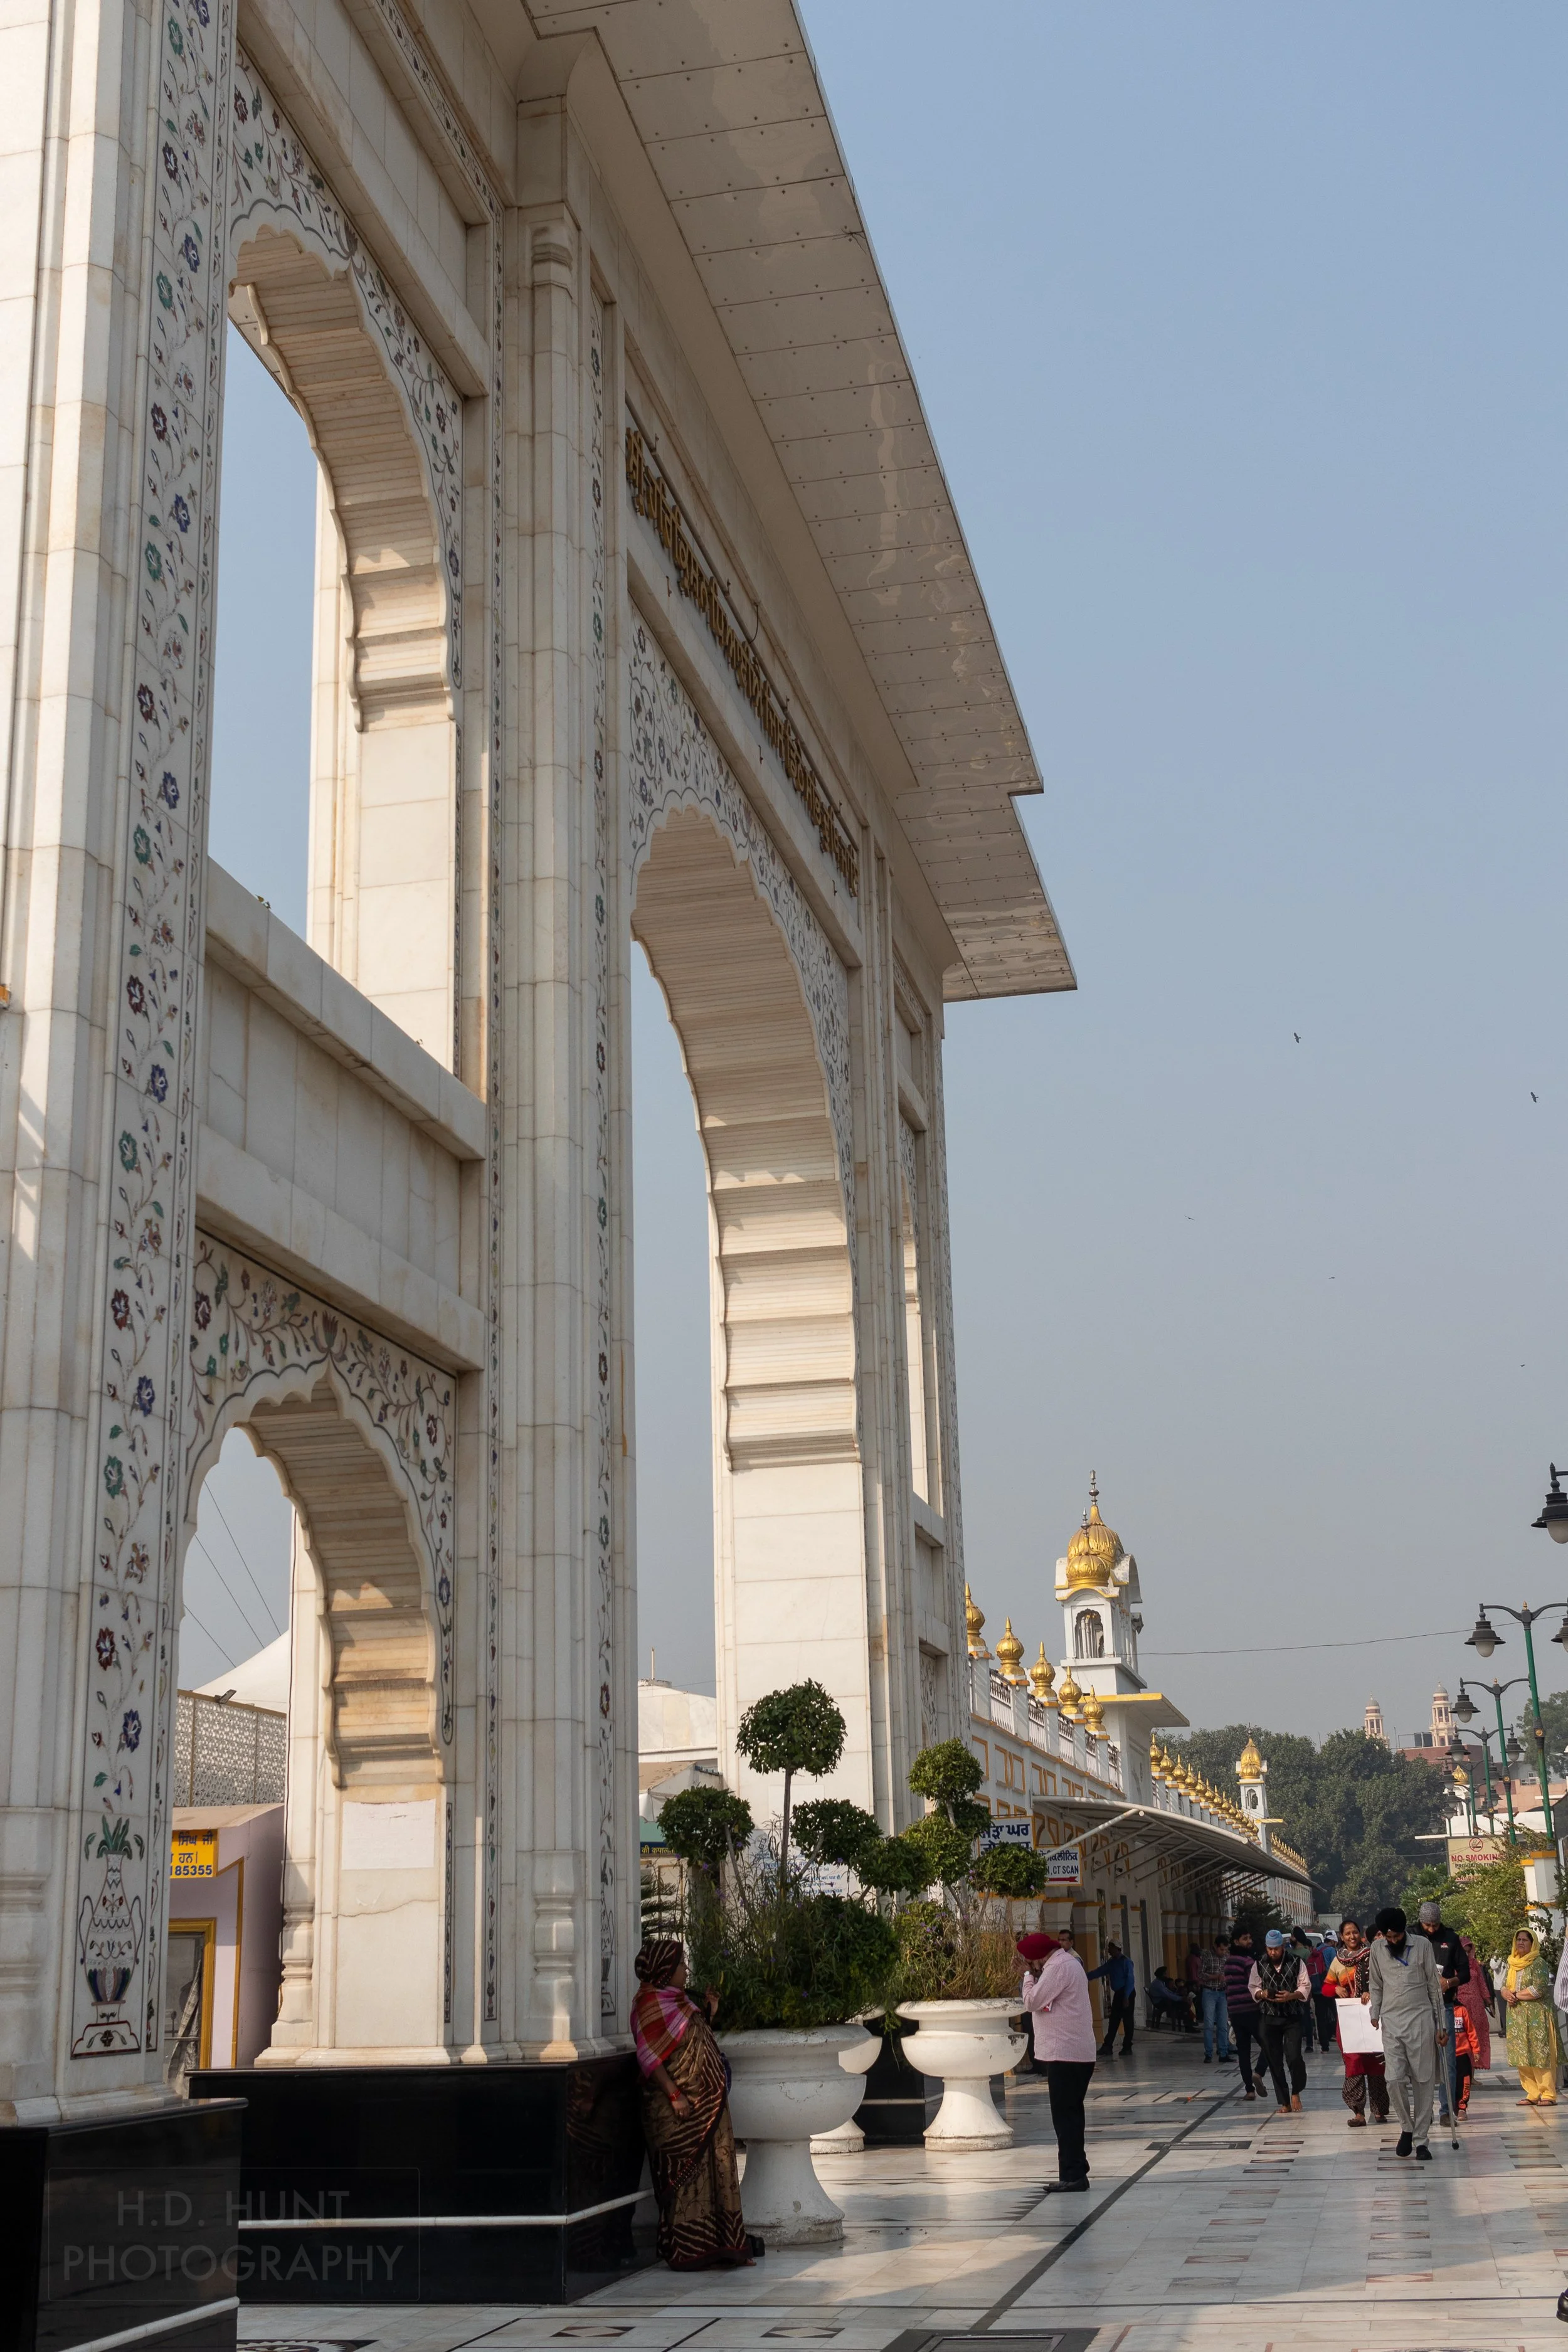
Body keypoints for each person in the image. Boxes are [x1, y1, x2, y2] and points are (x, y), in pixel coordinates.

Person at [631, 1939, 759, 2269]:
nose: (685, 1971)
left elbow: (694, 2041)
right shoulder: (648, 2006)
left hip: (709, 2103)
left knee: (719, 2169)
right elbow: (650, 2059)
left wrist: (711, 2014)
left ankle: (726, 2246)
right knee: (687, 2178)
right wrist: (675, 2094)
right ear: (664, 1971)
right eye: (680, 1966)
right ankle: (688, 2250)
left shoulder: (682, 2002)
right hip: (679, 2109)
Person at [1019, 1930, 1097, 2193]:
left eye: (1031, 1961)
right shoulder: (1066, 1964)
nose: (1031, 1966)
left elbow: (1031, 2001)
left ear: (1039, 1957)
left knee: (1065, 2118)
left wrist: (1028, 1976)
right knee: (1072, 2114)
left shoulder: (1058, 1968)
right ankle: (1078, 2166)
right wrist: (1034, 1973)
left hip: (1066, 2055)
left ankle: (1073, 2176)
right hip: (1074, 2053)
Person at [1368, 1905, 1445, 2159]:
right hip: (1391, 2022)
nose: (1393, 1941)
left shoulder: (1422, 1945)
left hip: (1421, 2021)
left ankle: (1422, 2140)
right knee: (1393, 2079)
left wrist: (1441, 2024)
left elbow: (1434, 1987)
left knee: (1423, 2081)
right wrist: (1374, 2013)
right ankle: (1406, 2128)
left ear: (1404, 1931)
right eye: (1388, 1937)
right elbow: (1376, 1984)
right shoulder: (1377, 1949)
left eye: (1397, 1936)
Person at [1325, 1917, 1388, 2127]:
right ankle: (1358, 2112)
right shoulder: (1338, 1961)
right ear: (1341, 1937)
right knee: (1354, 2064)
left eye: (1354, 1932)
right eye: (1347, 1934)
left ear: (1360, 1934)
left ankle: (1379, 2110)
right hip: (1349, 2022)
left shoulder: (1373, 1956)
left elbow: (1384, 1981)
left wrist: (1372, 1991)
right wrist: (1336, 1989)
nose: (1351, 1937)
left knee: (1376, 2063)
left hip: (1372, 2018)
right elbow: (1325, 1987)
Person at [1413, 1898, 1470, 2126]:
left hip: (1443, 2005)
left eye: (1435, 1925)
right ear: (1421, 1922)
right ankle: (1423, 2111)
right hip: (1417, 2007)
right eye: (1428, 1925)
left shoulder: (1450, 1938)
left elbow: (1465, 1972)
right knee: (1421, 2061)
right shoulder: (1411, 1938)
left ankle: (1447, 2110)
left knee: (1449, 2060)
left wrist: (1450, 1982)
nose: (1432, 1929)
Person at [1251, 1927, 1310, 2114]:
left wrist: (1291, 1996)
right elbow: (1253, 1987)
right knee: (1274, 2060)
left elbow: (1305, 1986)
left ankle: (1296, 2091)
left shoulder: (1296, 1962)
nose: (1273, 1952)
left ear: (1283, 1947)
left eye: (1276, 1949)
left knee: (1294, 2057)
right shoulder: (1259, 1964)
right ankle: (1284, 2101)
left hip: (1291, 2017)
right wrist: (1262, 1994)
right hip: (1268, 2017)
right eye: (1270, 1949)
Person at [1502, 1926, 1560, 2106]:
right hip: (1517, 2016)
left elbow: (1539, 1988)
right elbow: (1504, 1986)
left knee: (1540, 2054)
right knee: (1522, 2054)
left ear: (1532, 1943)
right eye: (1518, 1939)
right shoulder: (1512, 1963)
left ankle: (1548, 2094)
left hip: (1537, 2017)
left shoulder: (1538, 1963)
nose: (1520, 1942)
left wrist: (1515, 1995)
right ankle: (1532, 2093)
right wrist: (1506, 1994)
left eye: (1524, 1940)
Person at [1226, 1926, 1265, 2100]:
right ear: (1236, 1941)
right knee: (1269, 2044)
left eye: (1249, 1938)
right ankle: (1259, 2073)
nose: (1249, 1941)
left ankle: (1249, 2090)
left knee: (1243, 2052)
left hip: (1235, 2012)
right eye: (1245, 1938)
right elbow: (1255, 1986)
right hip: (1251, 2010)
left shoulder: (1228, 1962)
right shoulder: (1248, 1962)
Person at [1087, 1938, 1136, 2055]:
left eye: (1110, 1947)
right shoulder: (1112, 1962)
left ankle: (1127, 2046)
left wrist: (1126, 1997)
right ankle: (1107, 2045)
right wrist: (1084, 1976)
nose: (1109, 1950)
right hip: (1119, 1993)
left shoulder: (1126, 1962)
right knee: (1114, 2020)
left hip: (1126, 1993)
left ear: (1116, 1948)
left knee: (1128, 2021)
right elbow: (1099, 1972)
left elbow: (1130, 1980)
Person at [1458, 1935, 1493, 2074]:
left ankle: (1472, 2075)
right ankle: (1464, 2075)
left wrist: (1488, 2001)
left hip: (1477, 2007)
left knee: (1476, 2038)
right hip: (1461, 2007)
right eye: (1463, 1951)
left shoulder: (1474, 1965)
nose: (1466, 1954)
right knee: (1463, 2039)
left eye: (1468, 1951)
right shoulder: (1454, 1965)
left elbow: (1482, 1984)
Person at [1197, 1937, 1231, 2065]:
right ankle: (1209, 2053)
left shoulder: (1226, 1957)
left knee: (1223, 2025)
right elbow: (1200, 1974)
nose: (1223, 1952)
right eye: (1221, 1949)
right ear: (1215, 1947)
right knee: (1209, 2024)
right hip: (1209, 1992)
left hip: (1222, 1992)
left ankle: (1223, 2052)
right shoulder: (1207, 1956)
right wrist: (1216, 1977)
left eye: (1225, 1950)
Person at [1308, 1931, 1337, 2054]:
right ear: (1333, 1941)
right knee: (1337, 2015)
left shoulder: (1316, 1950)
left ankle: (1324, 2047)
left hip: (1316, 1989)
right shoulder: (1331, 1951)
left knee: (1321, 2018)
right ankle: (1341, 2040)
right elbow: (1335, 1969)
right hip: (1329, 1987)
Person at [1290, 1927, 1318, 2053]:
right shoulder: (1289, 1951)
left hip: (1302, 1989)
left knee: (1305, 2016)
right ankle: (1301, 2043)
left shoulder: (1305, 1953)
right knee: (1298, 2017)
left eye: (1292, 1936)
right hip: (1292, 1990)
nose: (1291, 1938)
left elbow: (1310, 1972)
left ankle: (1309, 2043)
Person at [1147, 1966, 1194, 2032]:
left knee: (1184, 2004)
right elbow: (1168, 1995)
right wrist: (1181, 1999)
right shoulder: (1158, 1984)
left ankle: (1188, 2023)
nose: (1166, 1976)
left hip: (1164, 2001)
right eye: (1165, 1974)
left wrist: (1179, 1996)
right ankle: (1188, 2025)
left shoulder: (1160, 1982)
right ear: (1161, 1975)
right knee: (1184, 2004)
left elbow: (1169, 1992)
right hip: (1160, 2003)